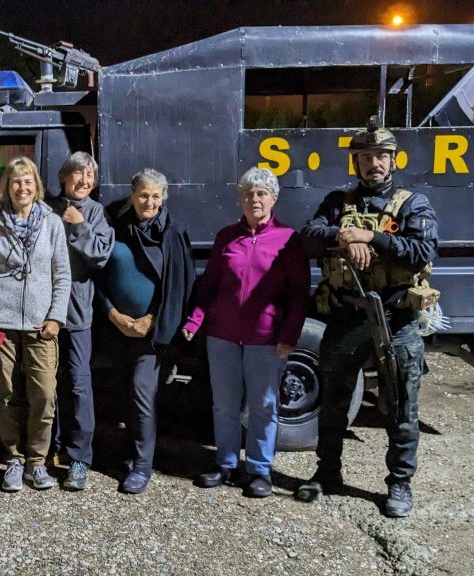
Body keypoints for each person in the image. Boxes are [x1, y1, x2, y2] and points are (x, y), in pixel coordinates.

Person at [296, 116, 439, 518]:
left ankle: (399, 484)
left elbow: (421, 252)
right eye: (365, 157)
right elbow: (307, 239)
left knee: (401, 407)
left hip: (395, 319)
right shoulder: (338, 203)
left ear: (392, 161)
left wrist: (371, 237)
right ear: (355, 163)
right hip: (346, 317)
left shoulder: (412, 204)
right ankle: (327, 472)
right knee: (333, 403)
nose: (373, 163)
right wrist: (343, 235)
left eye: (380, 156)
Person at [182, 167, 309, 498]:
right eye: (249, 194)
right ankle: (225, 464)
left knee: (263, 406)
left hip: (265, 339)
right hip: (223, 336)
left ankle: (259, 470)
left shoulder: (288, 240)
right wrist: (195, 320)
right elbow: (210, 284)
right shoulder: (226, 236)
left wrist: (289, 335)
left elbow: (298, 294)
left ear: (273, 199)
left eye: (262, 194)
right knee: (224, 405)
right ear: (241, 198)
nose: (255, 199)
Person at [0, 156, 71, 492]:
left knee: (44, 394)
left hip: (42, 325)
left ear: (36, 186)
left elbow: (62, 274)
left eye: (28, 181)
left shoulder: (52, 223)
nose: (22, 188)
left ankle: (37, 462)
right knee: (8, 393)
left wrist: (56, 316)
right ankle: (13, 459)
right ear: (7, 187)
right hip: (0, 322)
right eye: (16, 182)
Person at [95, 168, 195, 494]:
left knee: (141, 393)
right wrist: (113, 314)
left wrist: (151, 319)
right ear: (132, 195)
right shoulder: (116, 227)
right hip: (116, 329)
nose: (149, 202)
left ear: (163, 197)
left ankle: (142, 465)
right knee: (122, 392)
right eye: (143, 195)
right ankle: (129, 451)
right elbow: (99, 277)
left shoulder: (173, 233)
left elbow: (180, 285)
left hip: (152, 333)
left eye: (155, 196)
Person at [47, 152, 114, 491]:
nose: (84, 181)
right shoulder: (46, 208)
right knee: (46, 383)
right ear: (64, 176)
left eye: (90, 176)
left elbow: (101, 255)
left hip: (76, 313)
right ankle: (50, 449)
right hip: (44, 313)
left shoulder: (95, 213)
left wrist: (79, 224)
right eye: (78, 174)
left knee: (78, 383)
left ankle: (79, 459)